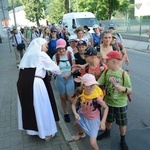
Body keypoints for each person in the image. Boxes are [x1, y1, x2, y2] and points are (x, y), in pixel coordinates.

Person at [17, 38, 61, 141]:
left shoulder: (28, 55)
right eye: (45, 45)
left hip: (24, 84)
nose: (47, 46)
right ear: (39, 46)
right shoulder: (41, 54)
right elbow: (54, 69)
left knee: (30, 107)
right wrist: (57, 69)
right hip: (36, 84)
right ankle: (46, 132)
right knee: (42, 107)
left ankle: (33, 130)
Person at [97, 51, 132, 150]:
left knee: (122, 123)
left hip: (120, 104)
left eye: (107, 60)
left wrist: (123, 89)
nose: (105, 61)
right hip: (108, 102)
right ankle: (107, 132)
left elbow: (130, 91)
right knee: (108, 119)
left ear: (114, 61)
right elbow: (99, 82)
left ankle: (123, 139)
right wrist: (89, 82)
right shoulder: (107, 71)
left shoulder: (124, 74)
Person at [72, 73, 108, 150]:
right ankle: (81, 134)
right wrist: (75, 113)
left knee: (92, 143)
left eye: (94, 84)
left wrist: (102, 121)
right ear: (83, 86)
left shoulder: (97, 98)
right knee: (76, 124)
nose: (92, 87)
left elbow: (106, 108)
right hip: (82, 115)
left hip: (93, 120)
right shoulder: (80, 94)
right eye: (89, 85)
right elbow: (73, 105)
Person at [52, 39, 76, 123]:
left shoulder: (70, 55)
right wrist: (56, 70)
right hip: (60, 79)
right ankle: (66, 113)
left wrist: (70, 73)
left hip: (69, 78)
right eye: (59, 49)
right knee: (62, 97)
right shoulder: (55, 56)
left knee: (70, 98)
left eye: (63, 48)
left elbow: (74, 66)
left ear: (65, 47)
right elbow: (54, 68)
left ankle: (74, 110)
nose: (61, 50)